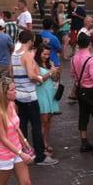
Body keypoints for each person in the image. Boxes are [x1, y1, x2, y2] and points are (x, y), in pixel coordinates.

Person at [12, 30, 58, 166]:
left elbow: (11, 72)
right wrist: (42, 77)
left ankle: (24, 153)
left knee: (23, 125)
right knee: (36, 127)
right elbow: (32, 76)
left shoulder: (14, 54)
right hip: (29, 95)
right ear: (30, 41)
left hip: (19, 95)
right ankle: (40, 156)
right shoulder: (26, 55)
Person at [0, 78, 35, 185]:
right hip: (5, 155)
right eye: (13, 90)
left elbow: (16, 127)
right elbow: (3, 139)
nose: (16, 91)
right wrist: (21, 154)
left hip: (17, 151)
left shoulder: (12, 105)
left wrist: (24, 141)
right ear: (4, 93)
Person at [34, 44, 60, 154]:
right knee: (43, 121)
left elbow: (55, 78)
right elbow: (38, 81)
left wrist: (56, 72)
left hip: (51, 93)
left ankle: (45, 141)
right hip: (41, 93)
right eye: (44, 54)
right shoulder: (35, 65)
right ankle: (40, 144)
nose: (46, 56)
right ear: (39, 53)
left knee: (49, 121)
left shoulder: (50, 63)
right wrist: (50, 72)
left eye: (48, 54)